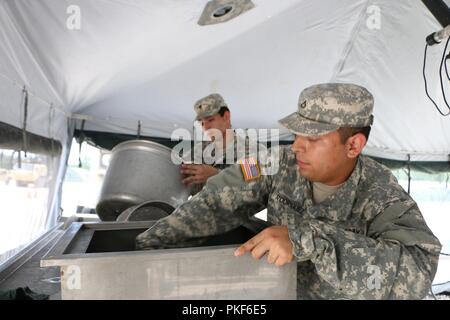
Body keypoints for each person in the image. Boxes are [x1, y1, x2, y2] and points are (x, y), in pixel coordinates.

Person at [136, 83, 441, 299]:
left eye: (313, 138)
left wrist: (310, 241)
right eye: (297, 134)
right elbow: (218, 198)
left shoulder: (381, 193)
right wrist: (145, 246)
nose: (296, 146)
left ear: (353, 145)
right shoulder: (276, 162)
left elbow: (416, 273)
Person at [180, 93, 248, 195]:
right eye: (202, 123)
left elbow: (254, 186)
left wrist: (217, 175)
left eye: (210, 120)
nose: (205, 127)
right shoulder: (199, 150)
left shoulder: (252, 151)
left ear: (226, 116)